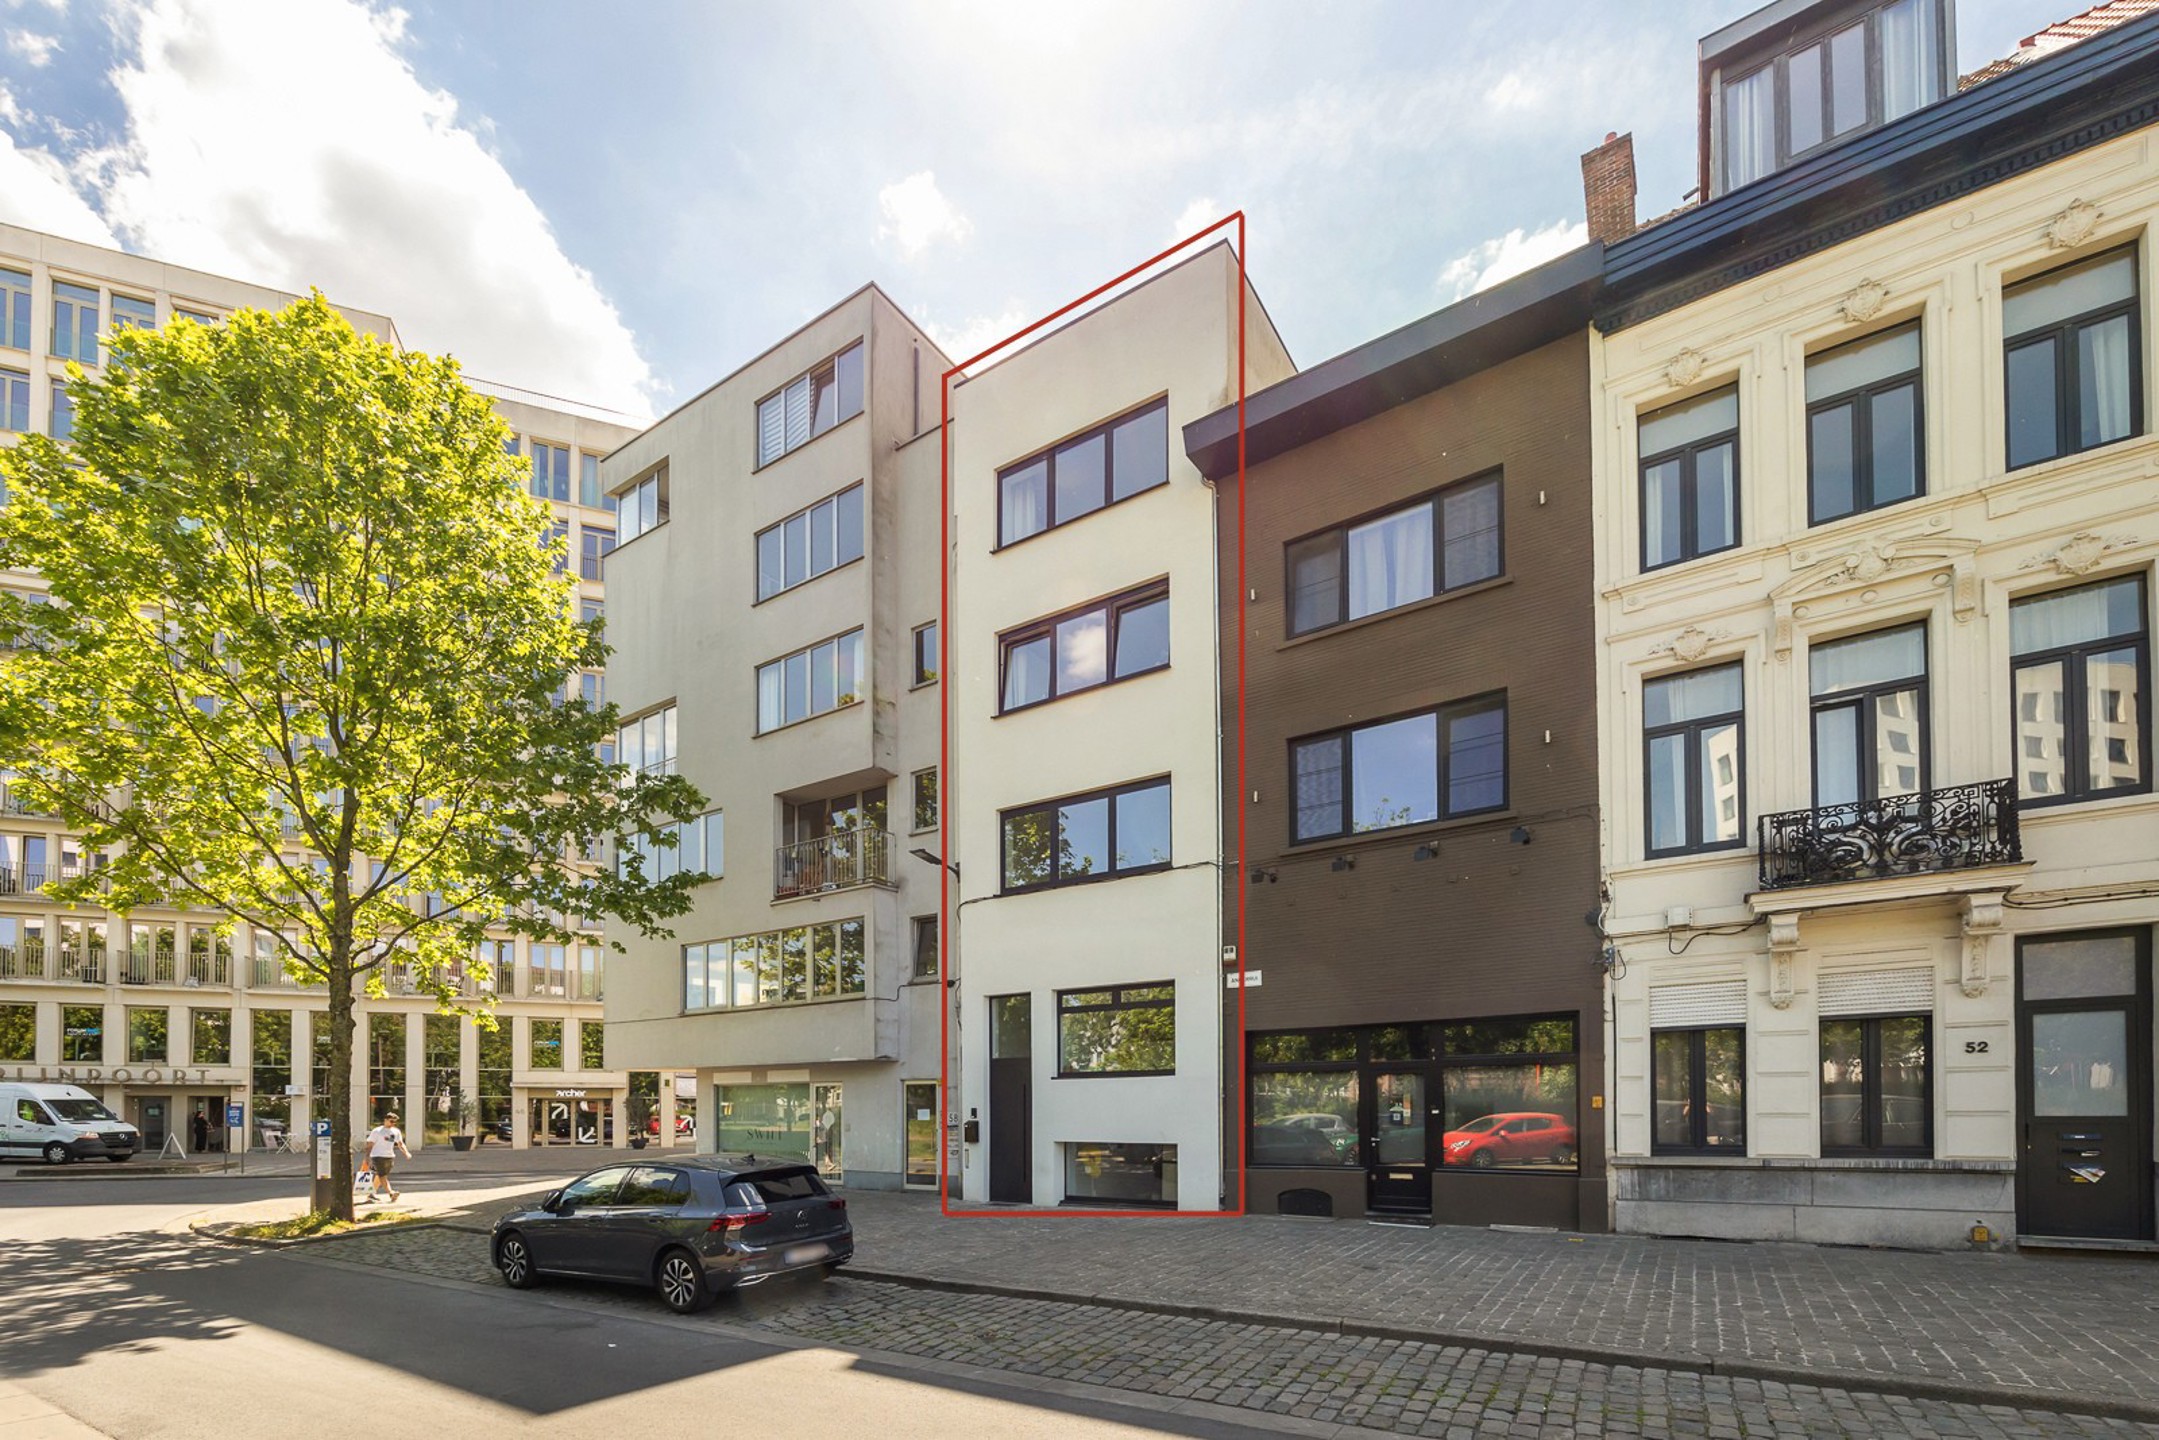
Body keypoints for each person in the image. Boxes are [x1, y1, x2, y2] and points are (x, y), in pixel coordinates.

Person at [361, 1112, 412, 1203]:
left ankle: (371, 1194)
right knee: (382, 1175)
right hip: (377, 1156)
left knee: (380, 1175)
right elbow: (369, 1145)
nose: (393, 1124)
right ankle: (391, 1193)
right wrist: (367, 1157)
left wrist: (406, 1153)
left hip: (389, 1156)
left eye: (395, 1122)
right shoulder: (377, 1131)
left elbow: (400, 1144)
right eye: (391, 1121)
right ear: (385, 1120)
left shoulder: (396, 1131)